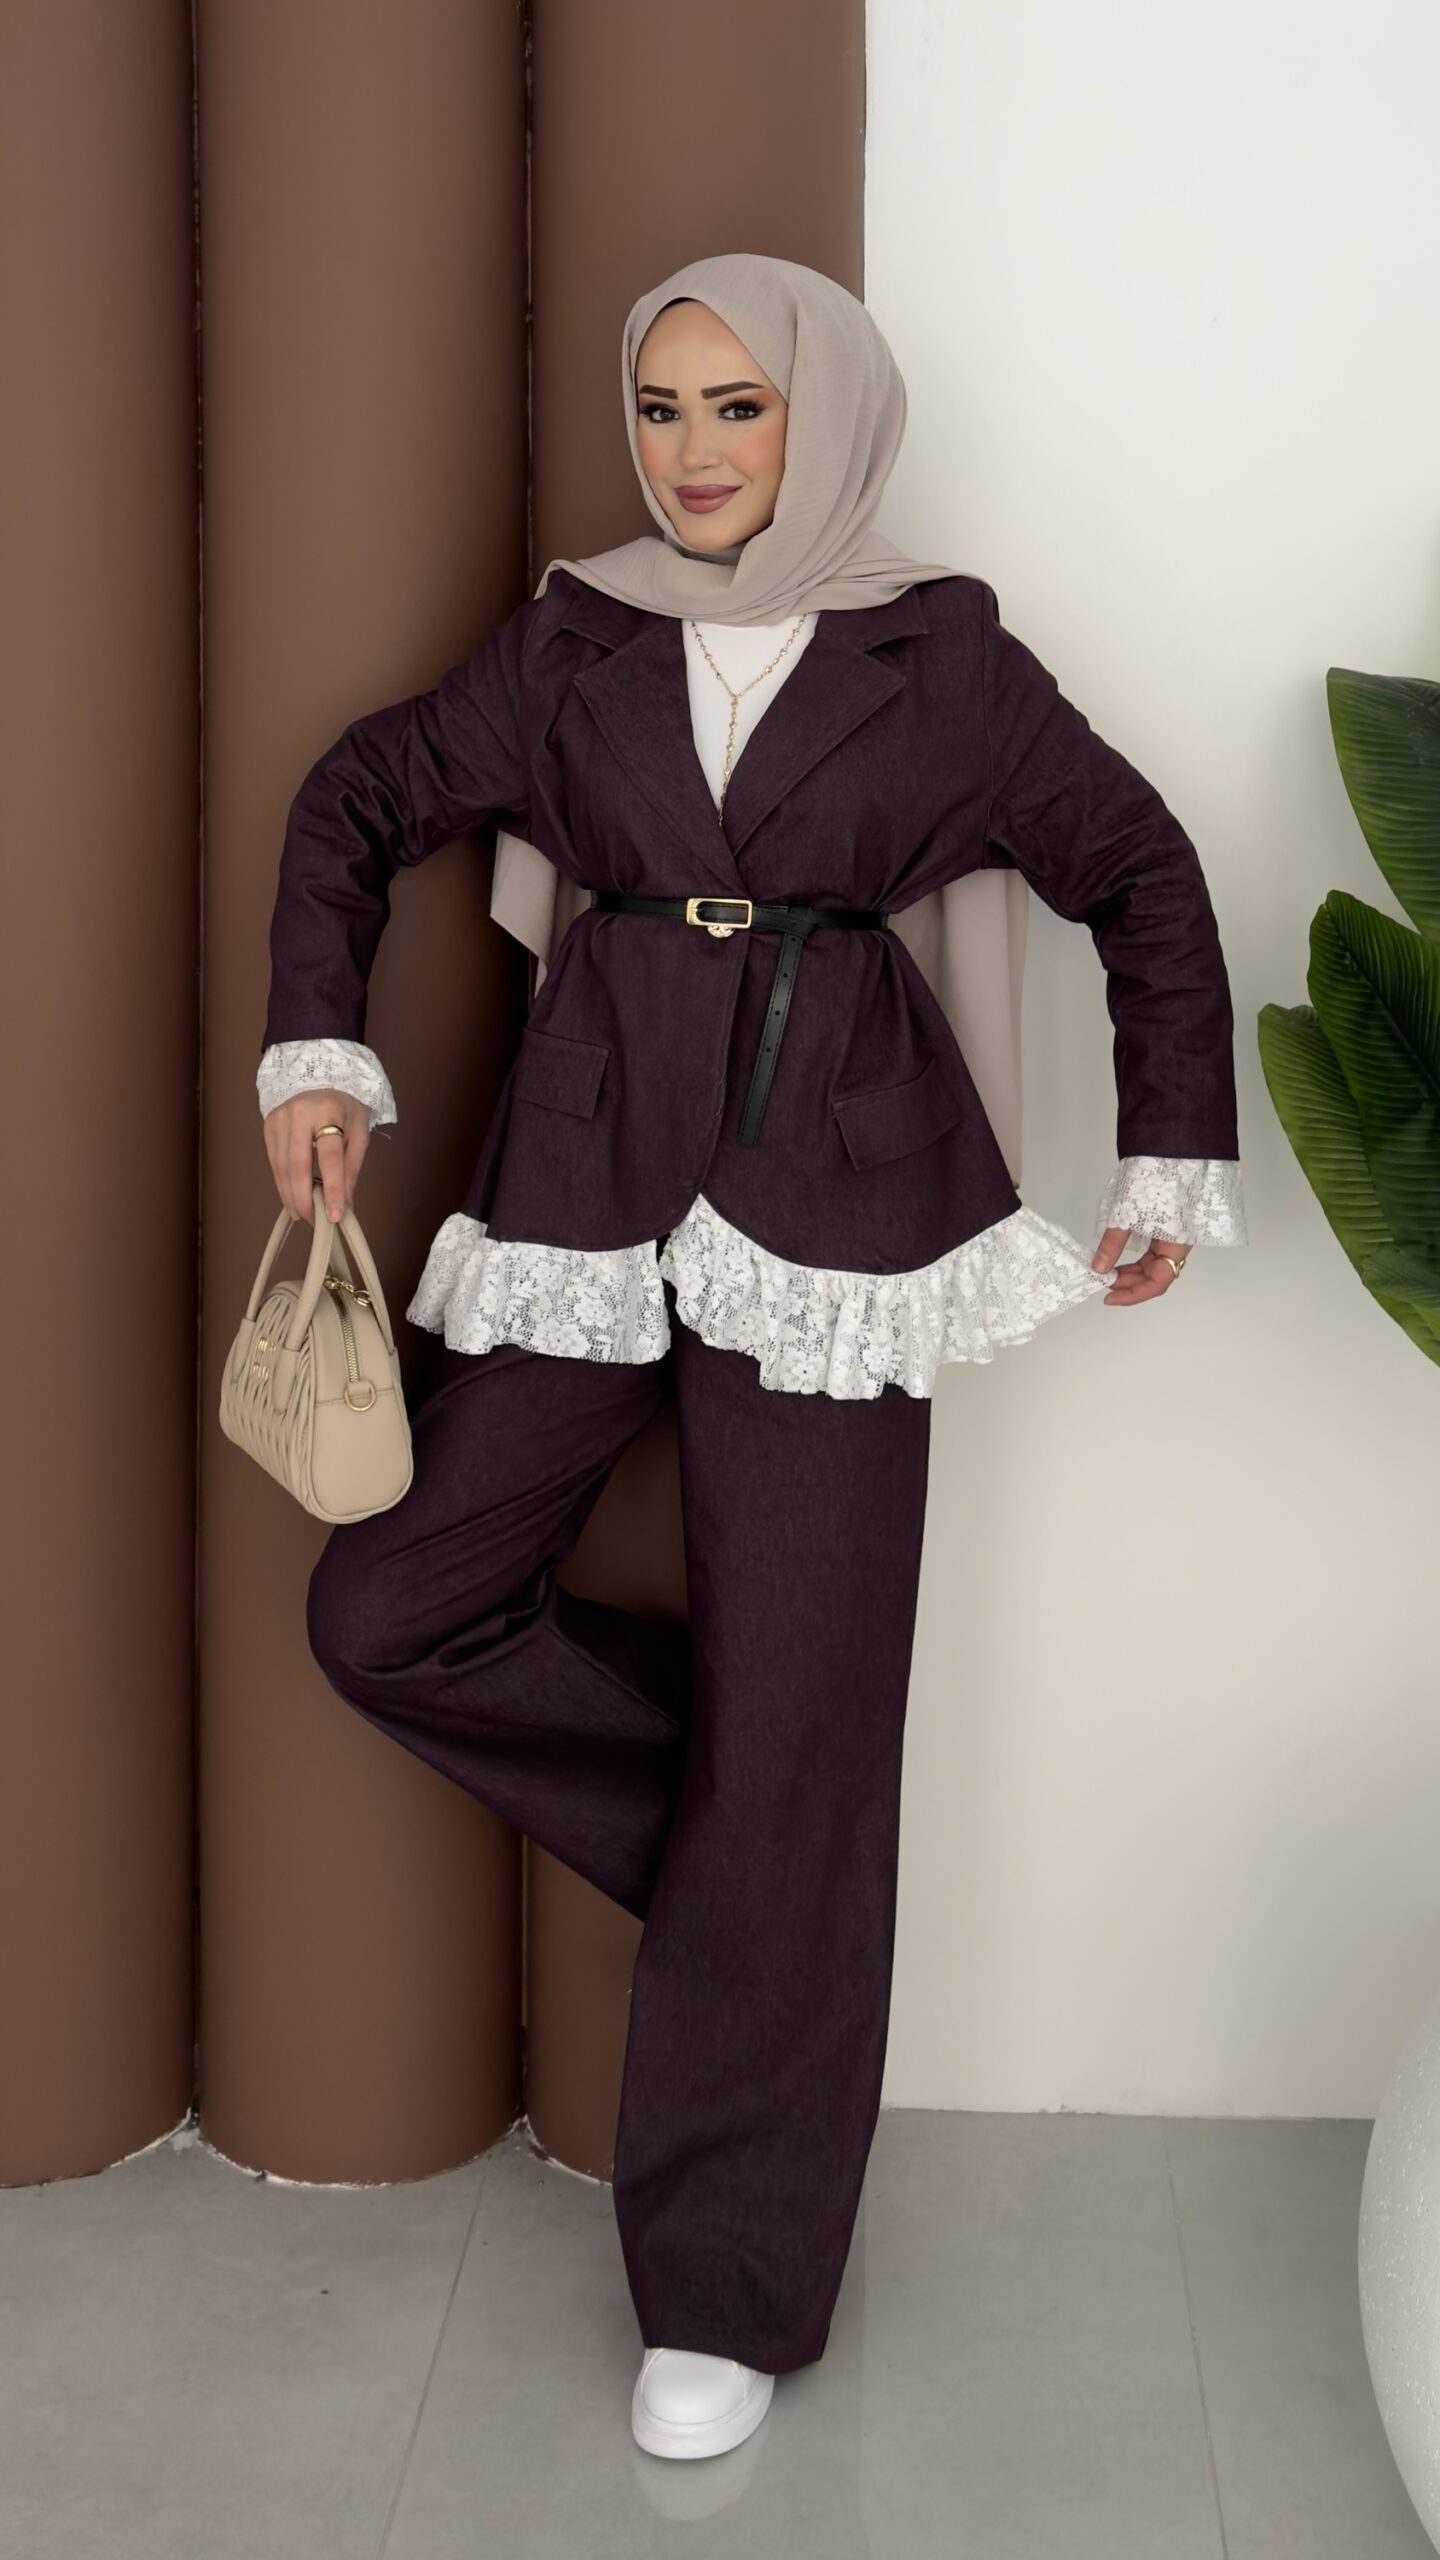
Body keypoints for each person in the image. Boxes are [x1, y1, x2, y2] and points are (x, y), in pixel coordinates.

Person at [255, 251, 1247, 2460]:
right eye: (663, 409)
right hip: (585, 1184)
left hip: (846, 1215)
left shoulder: (943, 654)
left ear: (829, 417)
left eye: (740, 408)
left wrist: (1171, 1148)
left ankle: (725, 2290)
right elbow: (359, 794)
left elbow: (1141, 868)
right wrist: (315, 1049)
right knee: (389, 1601)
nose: (693, 454)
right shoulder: (574, 641)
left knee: (809, 1727)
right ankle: (761, 1867)